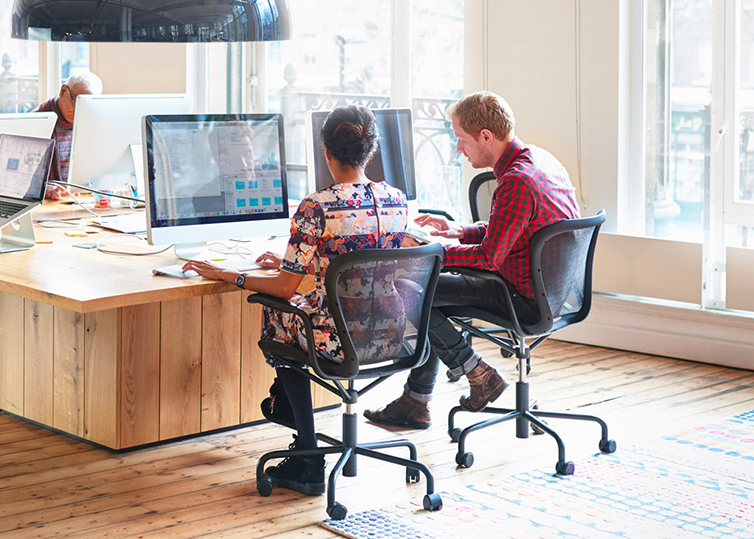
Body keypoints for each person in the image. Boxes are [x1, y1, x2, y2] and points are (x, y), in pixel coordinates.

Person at [183, 105, 409, 496]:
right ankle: (288, 411)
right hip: (388, 330)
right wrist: (291, 261)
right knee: (300, 309)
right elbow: (354, 262)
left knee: (277, 316)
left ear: (326, 152)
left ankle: (306, 452)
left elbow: (285, 290)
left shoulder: (317, 206)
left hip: (335, 336)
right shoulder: (396, 200)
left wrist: (230, 275)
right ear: (370, 152)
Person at [363, 91, 579, 431]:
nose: (459, 149)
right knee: (426, 291)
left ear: (486, 137)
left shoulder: (517, 181)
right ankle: (416, 402)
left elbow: (490, 258)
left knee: (412, 289)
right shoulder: (540, 161)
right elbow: (514, 230)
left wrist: (430, 253)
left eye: (461, 140)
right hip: (555, 292)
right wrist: (458, 231)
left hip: (521, 297)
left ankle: (477, 375)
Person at [31, 71, 102, 199]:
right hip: (45, 204)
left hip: (80, 200)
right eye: (75, 101)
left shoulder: (92, 126)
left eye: (86, 104)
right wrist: (45, 189)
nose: (78, 109)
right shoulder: (34, 123)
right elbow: (16, 179)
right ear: (63, 91)